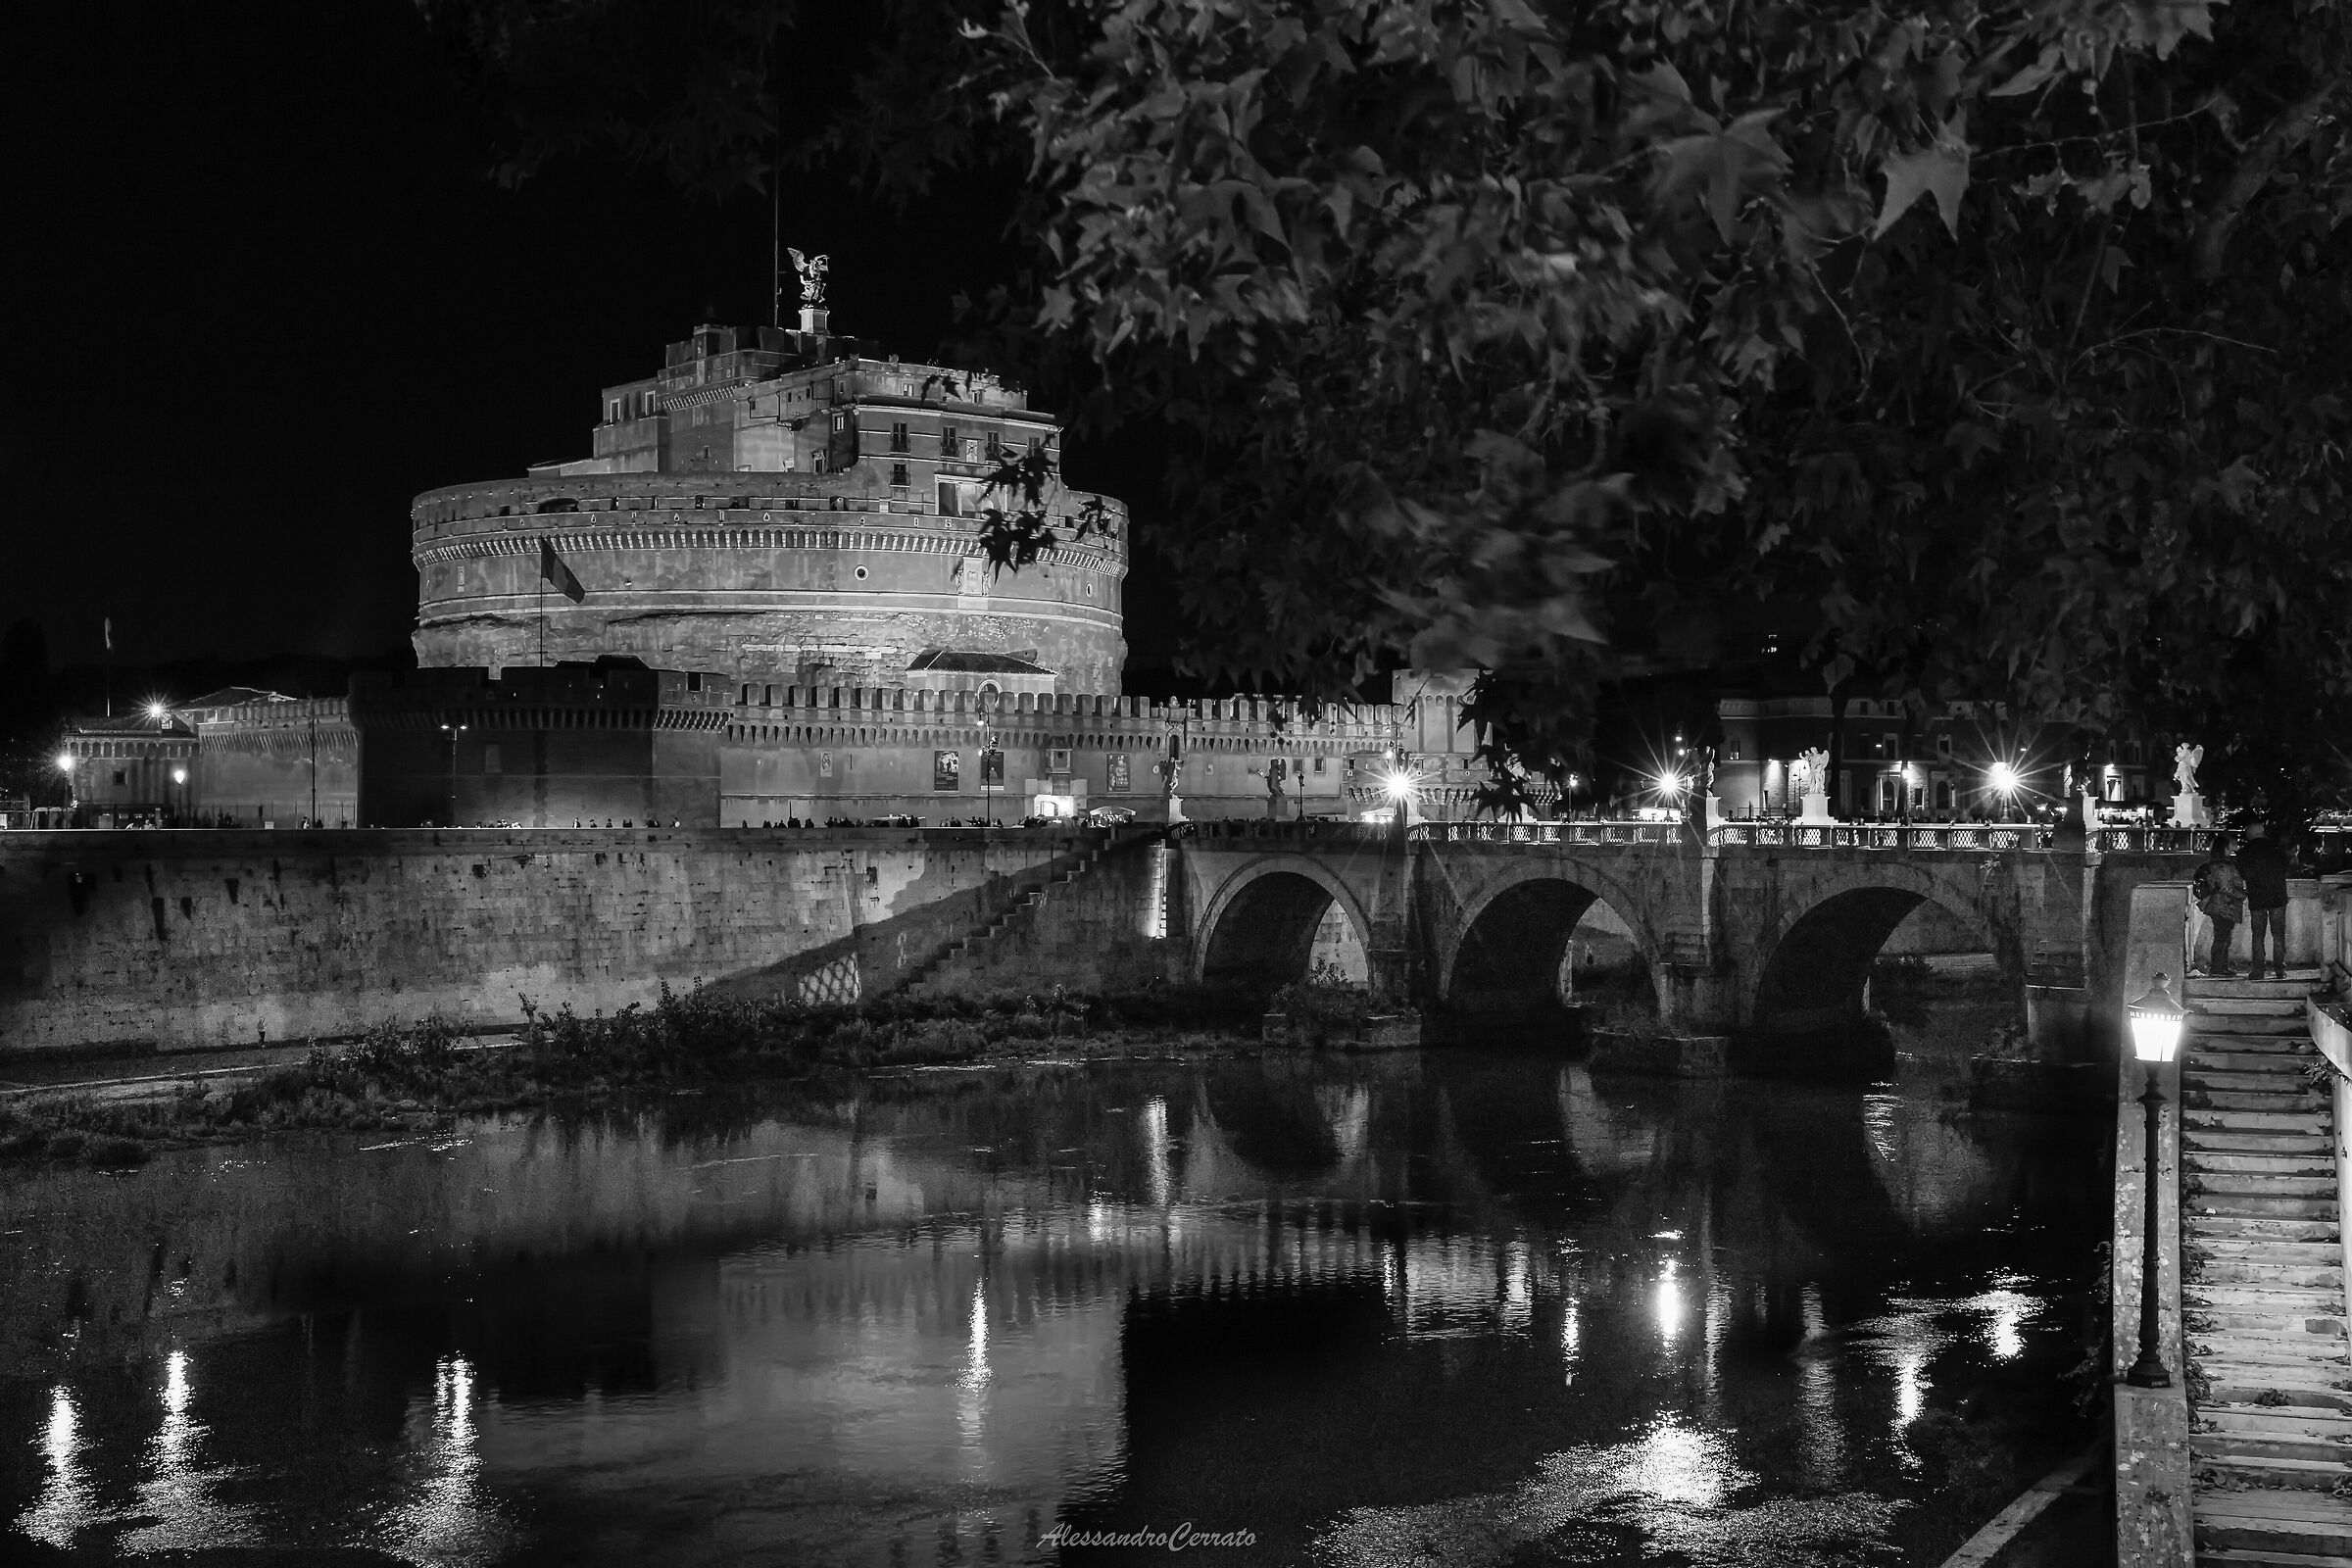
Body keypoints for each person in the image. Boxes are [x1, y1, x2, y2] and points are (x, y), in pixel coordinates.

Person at [2236, 821, 2292, 981]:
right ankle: (2280, 969)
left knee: (2258, 936)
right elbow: (2285, 867)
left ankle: (2258, 971)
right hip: (2277, 897)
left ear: (2249, 835)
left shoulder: (2244, 853)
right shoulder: (2276, 850)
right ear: (2262, 832)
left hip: (2257, 898)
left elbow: (2243, 874)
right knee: (2278, 935)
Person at [2192, 838, 2247, 976]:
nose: (2231, 850)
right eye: (2229, 847)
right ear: (2224, 848)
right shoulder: (2223, 867)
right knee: (2222, 938)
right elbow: (2225, 887)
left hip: (2218, 905)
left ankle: (2221, 967)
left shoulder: (2214, 865)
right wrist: (2240, 894)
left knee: (2222, 937)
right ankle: (2218, 968)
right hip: (2224, 905)